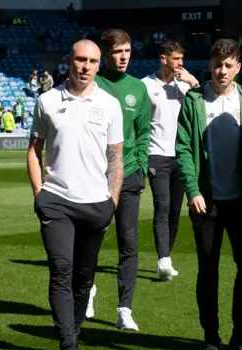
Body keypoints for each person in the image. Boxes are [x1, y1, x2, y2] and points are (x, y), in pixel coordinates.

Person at [27, 39, 123, 350]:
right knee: (61, 269)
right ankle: (68, 344)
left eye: (92, 61)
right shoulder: (47, 100)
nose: (85, 66)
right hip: (56, 200)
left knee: (84, 278)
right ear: (69, 60)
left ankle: (73, 334)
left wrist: (113, 200)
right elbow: (34, 150)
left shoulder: (110, 104)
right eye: (80, 59)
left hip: (97, 204)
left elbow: (116, 157)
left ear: (99, 65)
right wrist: (39, 193)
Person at [176, 38, 242, 350]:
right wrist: (193, 191)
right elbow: (182, 148)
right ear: (209, 64)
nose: (222, 71)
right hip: (206, 202)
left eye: (228, 65)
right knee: (208, 270)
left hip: (241, 203)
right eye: (217, 64)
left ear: (238, 67)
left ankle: (240, 334)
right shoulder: (194, 100)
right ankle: (210, 336)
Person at [89, 28, 150, 330]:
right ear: (105, 54)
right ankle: (87, 289)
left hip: (128, 178)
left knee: (129, 245)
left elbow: (143, 134)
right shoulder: (91, 84)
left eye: (127, 50)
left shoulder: (138, 89)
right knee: (91, 240)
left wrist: (139, 168)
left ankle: (124, 309)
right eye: (117, 51)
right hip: (94, 179)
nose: (123, 56)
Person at [141, 39, 199, 281]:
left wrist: (194, 83)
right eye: (176, 59)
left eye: (182, 59)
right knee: (162, 206)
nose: (180, 64)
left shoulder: (186, 87)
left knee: (175, 211)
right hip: (156, 155)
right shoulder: (145, 85)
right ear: (163, 58)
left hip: (181, 157)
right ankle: (163, 259)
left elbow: (203, 109)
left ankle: (166, 256)